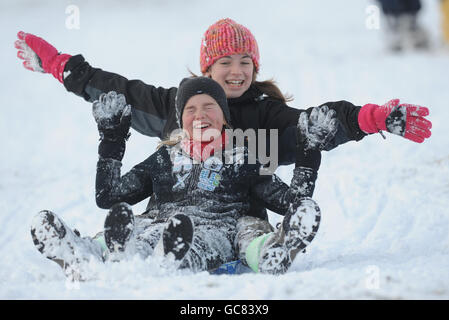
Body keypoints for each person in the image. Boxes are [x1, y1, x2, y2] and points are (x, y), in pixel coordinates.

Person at [18, 18, 432, 271]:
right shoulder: (173, 108)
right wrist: (62, 66)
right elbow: (120, 91)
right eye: (225, 62)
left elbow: (312, 126)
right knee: (138, 227)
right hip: (171, 212)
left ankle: (246, 252)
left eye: (245, 62)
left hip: (234, 220)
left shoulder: (265, 119)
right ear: (207, 68)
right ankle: (90, 250)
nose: (236, 71)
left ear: (255, 66)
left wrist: (369, 118)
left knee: (231, 236)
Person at [31, 77, 330, 277]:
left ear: (224, 116)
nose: (200, 115)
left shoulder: (243, 160)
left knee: (224, 237)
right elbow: (109, 196)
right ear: (181, 119)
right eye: (191, 110)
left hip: (216, 225)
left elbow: (292, 203)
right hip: (159, 221)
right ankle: (85, 254)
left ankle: (271, 252)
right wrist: (112, 139)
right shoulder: (165, 158)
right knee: (138, 229)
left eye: (209, 107)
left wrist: (309, 151)